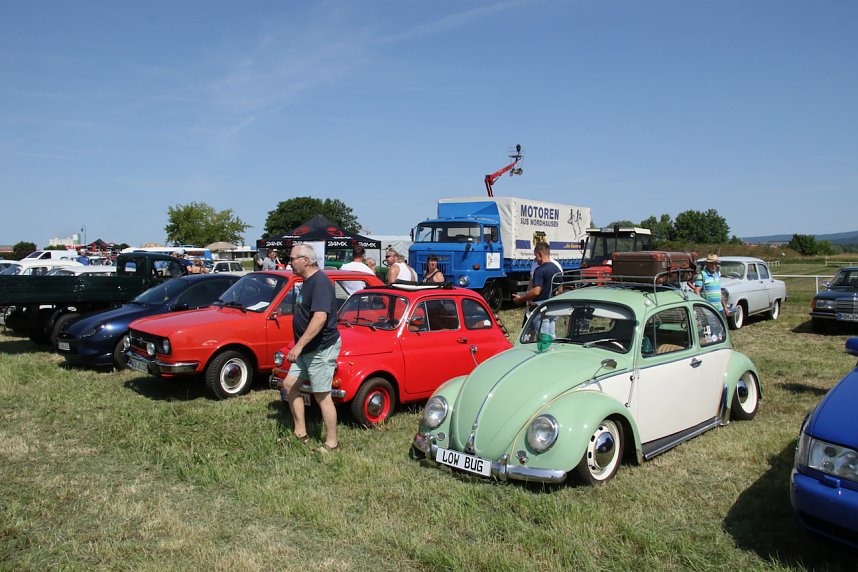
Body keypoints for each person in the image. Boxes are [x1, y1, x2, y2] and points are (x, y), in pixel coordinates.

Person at [281, 244, 341, 452]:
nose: (290, 262)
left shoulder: (320, 283)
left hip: (320, 348)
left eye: (293, 258)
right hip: (306, 349)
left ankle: (332, 444)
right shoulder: (306, 282)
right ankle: (301, 434)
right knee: (289, 385)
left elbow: (320, 317)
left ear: (305, 260)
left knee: (322, 395)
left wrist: (298, 346)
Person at [513, 242, 562, 314]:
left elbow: (536, 292)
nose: (535, 258)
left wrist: (520, 299)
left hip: (540, 310)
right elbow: (560, 290)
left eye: (536, 255)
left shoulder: (539, 270)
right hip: (552, 309)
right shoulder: (557, 268)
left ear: (540, 254)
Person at [693, 253, 729, 318]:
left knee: (723, 327)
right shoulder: (702, 275)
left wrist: (725, 307)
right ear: (707, 264)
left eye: (716, 264)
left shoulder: (717, 275)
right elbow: (696, 291)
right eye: (712, 263)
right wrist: (702, 307)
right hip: (709, 311)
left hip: (720, 309)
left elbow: (719, 292)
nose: (714, 266)